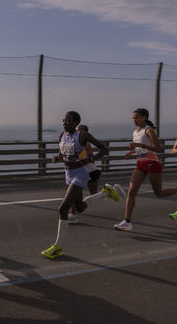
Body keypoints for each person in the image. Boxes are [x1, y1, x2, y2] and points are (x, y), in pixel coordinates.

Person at [41, 111, 123, 259]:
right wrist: (57, 157)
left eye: (68, 121)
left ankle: (57, 247)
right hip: (68, 174)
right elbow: (64, 154)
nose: (64, 123)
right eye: (63, 121)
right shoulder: (62, 136)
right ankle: (107, 192)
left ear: (75, 123)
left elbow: (104, 148)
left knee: (63, 208)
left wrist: (90, 158)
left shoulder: (83, 136)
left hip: (80, 174)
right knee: (79, 208)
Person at [113, 108, 177, 231]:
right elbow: (141, 148)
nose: (134, 120)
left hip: (152, 164)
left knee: (159, 193)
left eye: (137, 117)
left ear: (144, 117)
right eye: (133, 118)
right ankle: (127, 222)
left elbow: (158, 148)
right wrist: (131, 152)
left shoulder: (149, 130)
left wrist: (137, 145)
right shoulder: (135, 132)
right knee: (132, 191)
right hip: (140, 164)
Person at [67, 124, 123, 224]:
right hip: (80, 173)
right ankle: (73, 215)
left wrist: (81, 160)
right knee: (73, 194)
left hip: (91, 172)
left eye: (79, 131)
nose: (77, 133)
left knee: (93, 194)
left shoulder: (86, 144)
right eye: (76, 131)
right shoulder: (75, 143)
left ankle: (112, 190)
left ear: (84, 133)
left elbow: (91, 157)